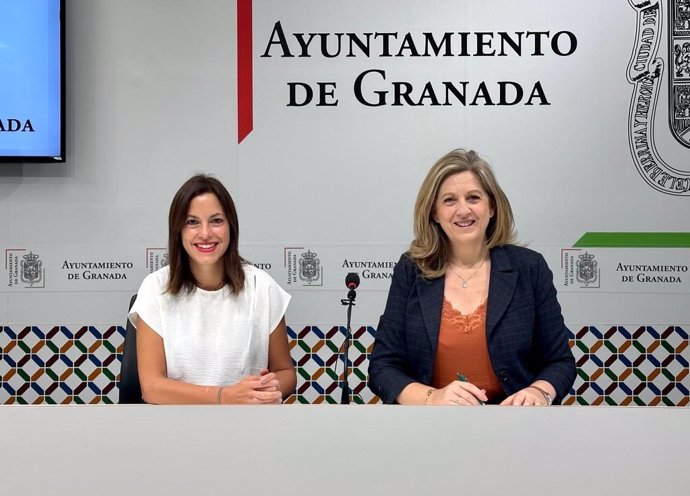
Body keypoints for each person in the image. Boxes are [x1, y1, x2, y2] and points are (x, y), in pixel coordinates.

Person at [368, 149, 575, 406]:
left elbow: (559, 362)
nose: (463, 210)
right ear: (434, 212)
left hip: (516, 426)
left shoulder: (530, 268)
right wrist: (433, 398)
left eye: (473, 198)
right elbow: (382, 368)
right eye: (449, 200)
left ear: (492, 207)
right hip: (430, 424)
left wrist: (537, 393)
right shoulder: (411, 270)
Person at [129, 174, 295, 404]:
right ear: (178, 230)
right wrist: (224, 396)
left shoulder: (262, 286)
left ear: (231, 227)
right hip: (174, 428)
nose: (205, 233)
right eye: (192, 222)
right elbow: (152, 388)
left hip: (248, 427)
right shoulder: (155, 288)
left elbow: (286, 373)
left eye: (216, 220)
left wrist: (268, 387)